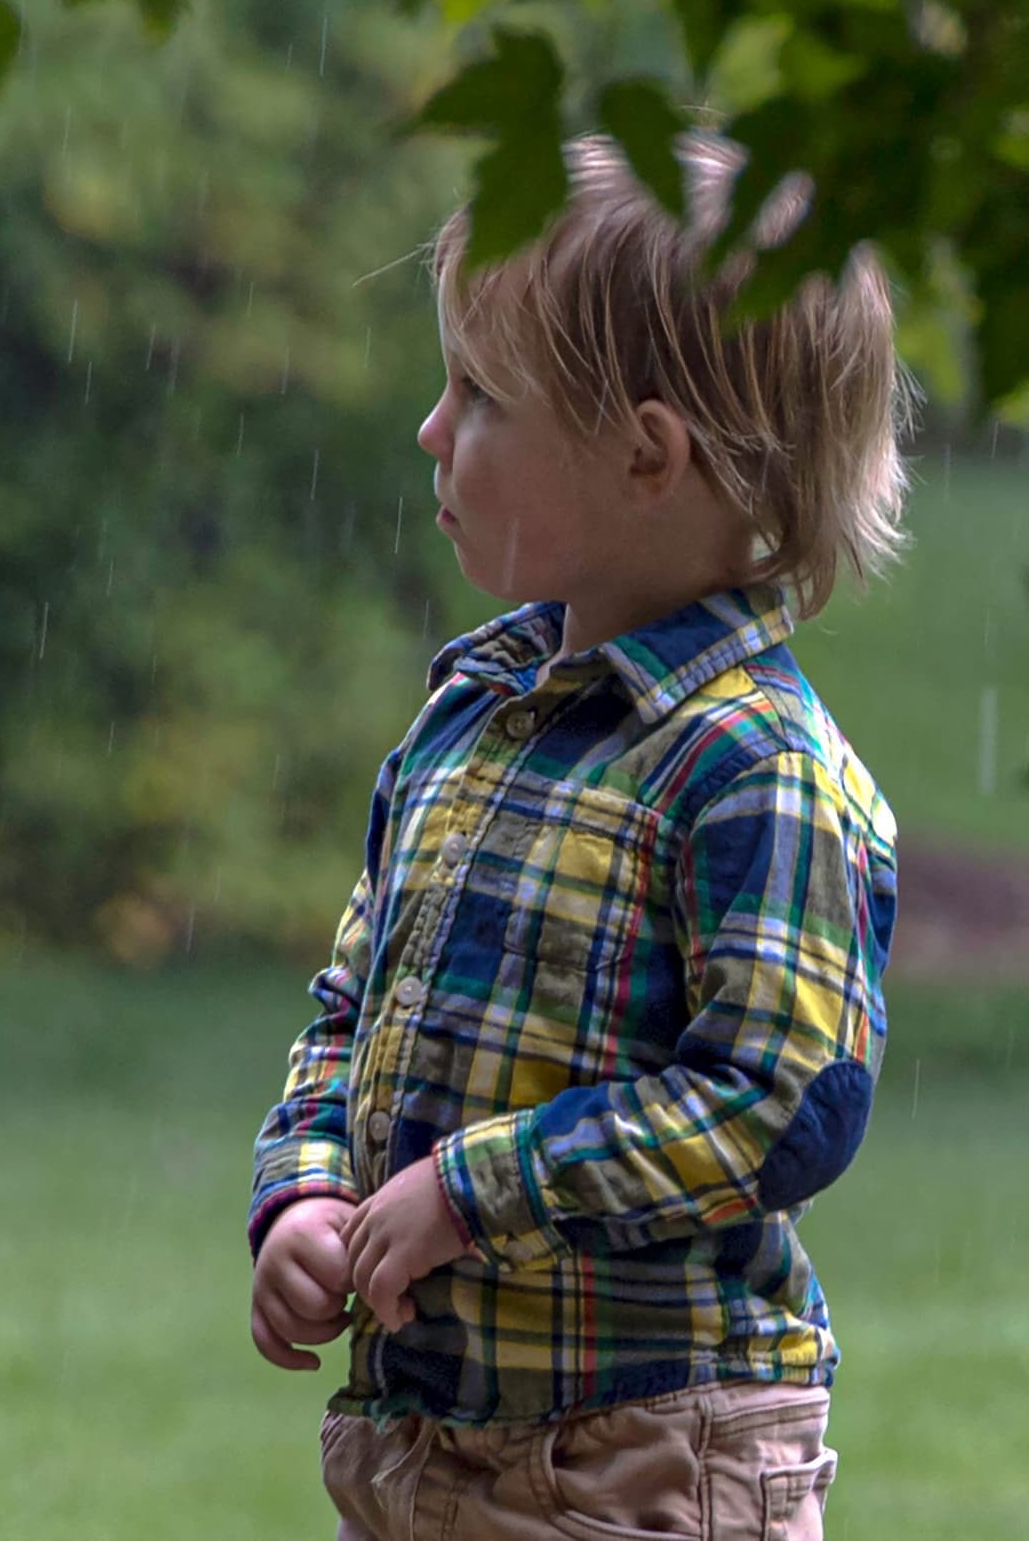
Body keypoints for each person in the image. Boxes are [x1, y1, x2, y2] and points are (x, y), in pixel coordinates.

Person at [247, 128, 913, 1541]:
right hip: (430, 1437)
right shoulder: (472, 715)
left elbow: (778, 1101)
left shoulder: (754, 768)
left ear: (645, 456)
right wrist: (310, 1190)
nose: (433, 430)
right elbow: (354, 1003)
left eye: (479, 395)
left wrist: (478, 1192)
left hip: (646, 1456)